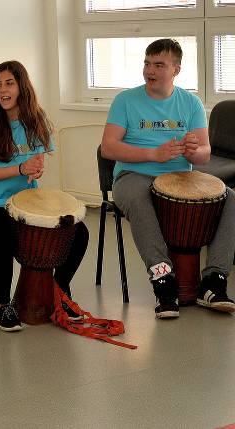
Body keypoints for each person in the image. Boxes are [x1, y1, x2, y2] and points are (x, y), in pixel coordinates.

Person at [101, 38, 235, 318]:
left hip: (180, 178)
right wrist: (153, 154)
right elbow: (109, 147)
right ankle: (163, 281)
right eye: (147, 63)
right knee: (140, 198)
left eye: (159, 65)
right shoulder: (125, 100)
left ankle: (213, 280)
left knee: (231, 198)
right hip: (132, 175)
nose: (150, 70)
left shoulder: (190, 103)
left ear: (176, 69)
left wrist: (194, 151)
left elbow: (204, 155)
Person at [0, 60, 89, 332]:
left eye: (9, 83)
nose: (2, 90)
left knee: (79, 232)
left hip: (26, 202)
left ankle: (59, 290)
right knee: (5, 233)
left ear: (22, 86)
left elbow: (38, 162)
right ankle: (2, 305)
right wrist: (20, 168)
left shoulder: (37, 119)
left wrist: (35, 168)